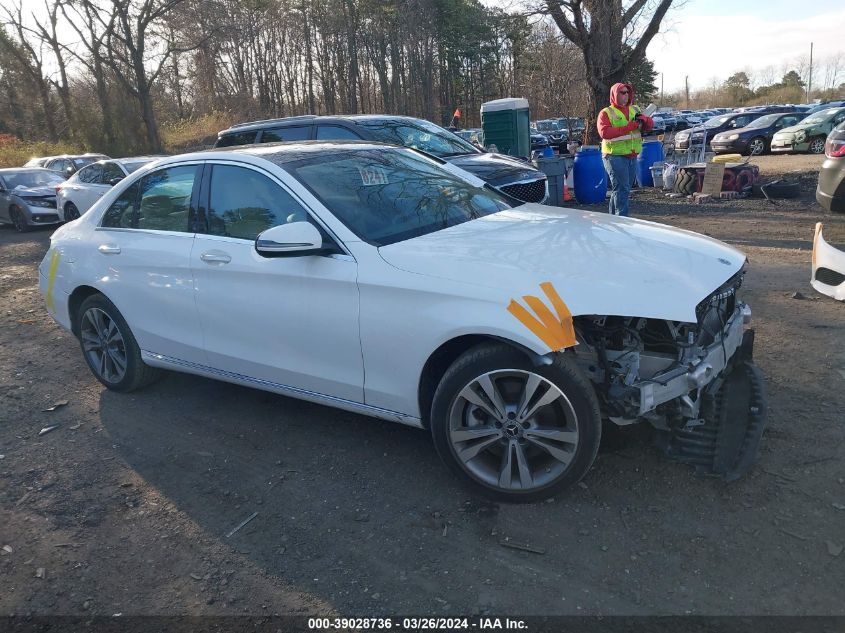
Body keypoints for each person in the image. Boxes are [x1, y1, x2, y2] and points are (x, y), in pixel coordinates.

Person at [597, 82, 653, 216]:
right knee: (622, 188)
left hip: (632, 155)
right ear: (615, 94)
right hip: (614, 155)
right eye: (622, 93)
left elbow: (649, 126)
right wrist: (630, 126)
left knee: (621, 189)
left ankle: (612, 219)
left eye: (627, 92)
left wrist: (645, 120)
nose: (626, 95)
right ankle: (622, 219)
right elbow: (605, 133)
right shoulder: (606, 113)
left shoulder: (635, 110)